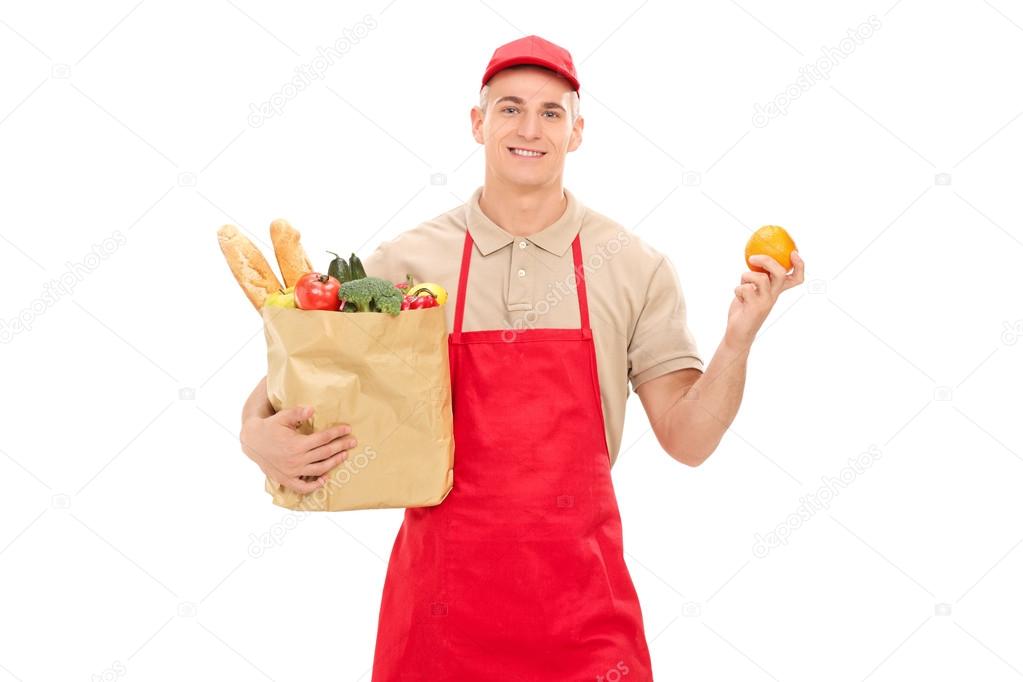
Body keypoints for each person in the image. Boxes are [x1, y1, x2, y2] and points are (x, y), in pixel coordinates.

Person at [239, 34, 804, 681]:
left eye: (550, 111)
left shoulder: (631, 265)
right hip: (437, 617)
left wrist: (738, 337)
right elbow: (303, 367)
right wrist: (254, 433)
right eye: (509, 108)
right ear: (477, 123)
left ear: (577, 131)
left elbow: (688, 439)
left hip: (585, 622)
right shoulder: (407, 263)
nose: (528, 127)